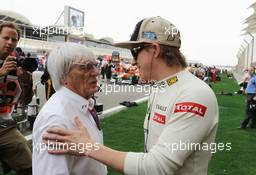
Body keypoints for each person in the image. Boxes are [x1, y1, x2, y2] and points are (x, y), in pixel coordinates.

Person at [43, 16, 219, 175]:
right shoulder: (164, 87)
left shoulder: (194, 94)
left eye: (135, 51)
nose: (133, 61)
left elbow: (157, 167)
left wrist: (88, 147)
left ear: (154, 50)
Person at [32, 43, 107, 175]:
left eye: (95, 65)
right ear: (63, 77)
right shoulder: (56, 119)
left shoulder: (82, 103)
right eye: (86, 67)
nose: (96, 72)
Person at [0, 22, 32, 175]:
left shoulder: (16, 63)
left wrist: (26, 81)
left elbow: (25, 100)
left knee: (30, 166)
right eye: (6, 38)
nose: (10, 42)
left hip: (4, 125)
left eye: (14, 40)